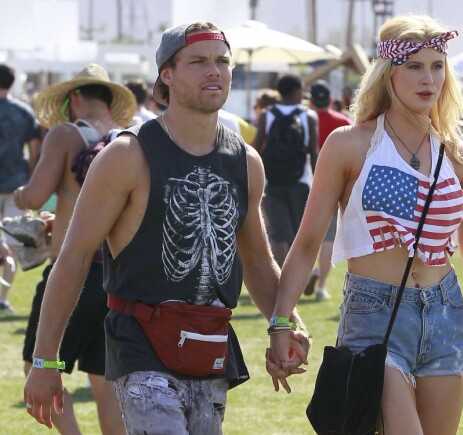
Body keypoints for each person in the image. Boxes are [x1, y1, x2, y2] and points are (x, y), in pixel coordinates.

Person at [267, 14, 463, 434]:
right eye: (415, 66)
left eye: (437, 66)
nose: (429, 79)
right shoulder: (350, 144)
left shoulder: (461, 157)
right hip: (374, 316)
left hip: (445, 316)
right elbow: (308, 241)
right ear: (389, 73)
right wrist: (280, 321)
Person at [23, 21, 309, 433]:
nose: (215, 71)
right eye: (198, 62)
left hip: (209, 346)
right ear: (166, 76)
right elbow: (74, 256)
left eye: (222, 61)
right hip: (140, 349)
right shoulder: (127, 154)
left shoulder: (246, 162)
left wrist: (285, 323)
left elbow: (259, 264)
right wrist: (45, 360)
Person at [14, 62, 135, 434]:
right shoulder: (128, 138)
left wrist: (19, 197)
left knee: (39, 365)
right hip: (118, 275)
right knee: (105, 381)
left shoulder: (65, 135)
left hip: (73, 270)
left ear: (74, 97)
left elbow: (35, 194)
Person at [252, 74, 319, 294]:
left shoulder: (267, 115)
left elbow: (256, 147)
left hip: (272, 180)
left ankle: (284, 283)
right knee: (300, 234)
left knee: (280, 234)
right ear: (298, 90)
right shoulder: (308, 116)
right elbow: (312, 151)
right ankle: (307, 274)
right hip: (300, 181)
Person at [0, 63, 42, 314]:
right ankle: (3, 297)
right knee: (12, 242)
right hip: (17, 182)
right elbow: (35, 150)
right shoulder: (24, 111)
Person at [308, 79, 352, 300]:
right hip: (337, 184)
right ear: (331, 99)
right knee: (328, 236)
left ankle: (307, 273)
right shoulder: (344, 122)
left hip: (306, 181)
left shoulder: (305, 120)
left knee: (303, 234)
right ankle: (321, 286)